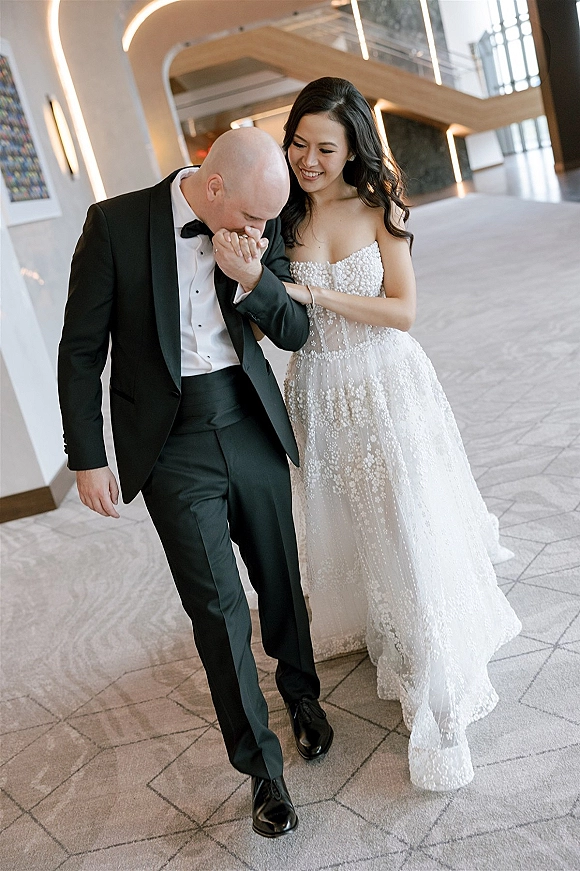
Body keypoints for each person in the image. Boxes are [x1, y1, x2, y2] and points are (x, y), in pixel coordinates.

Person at [57, 127, 333, 838]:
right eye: (248, 219)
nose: (260, 231)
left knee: (280, 576)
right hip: (171, 447)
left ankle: (301, 694)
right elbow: (81, 349)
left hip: (246, 417)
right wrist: (87, 457)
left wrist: (255, 278)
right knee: (217, 612)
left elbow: (296, 331)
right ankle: (262, 771)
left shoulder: (257, 214)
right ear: (214, 189)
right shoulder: (115, 225)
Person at [278, 77, 521, 791]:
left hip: (385, 384)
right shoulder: (280, 215)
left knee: (407, 518)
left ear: (353, 147)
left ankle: (438, 677)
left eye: (326, 147)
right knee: (349, 516)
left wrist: (317, 293)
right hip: (319, 389)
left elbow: (405, 310)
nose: (308, 160)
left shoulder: (375, 204)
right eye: (298, 143)